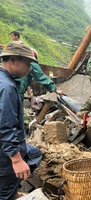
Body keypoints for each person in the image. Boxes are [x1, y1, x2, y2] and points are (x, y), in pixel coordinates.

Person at [0, 41, 42, 200]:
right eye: (27, 63)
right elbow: (5, 127)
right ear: (13, 60)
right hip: (4, 160)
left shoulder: (4, 81)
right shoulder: (7, 88)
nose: (29, 68)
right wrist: (16, 160)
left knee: (34, 152)